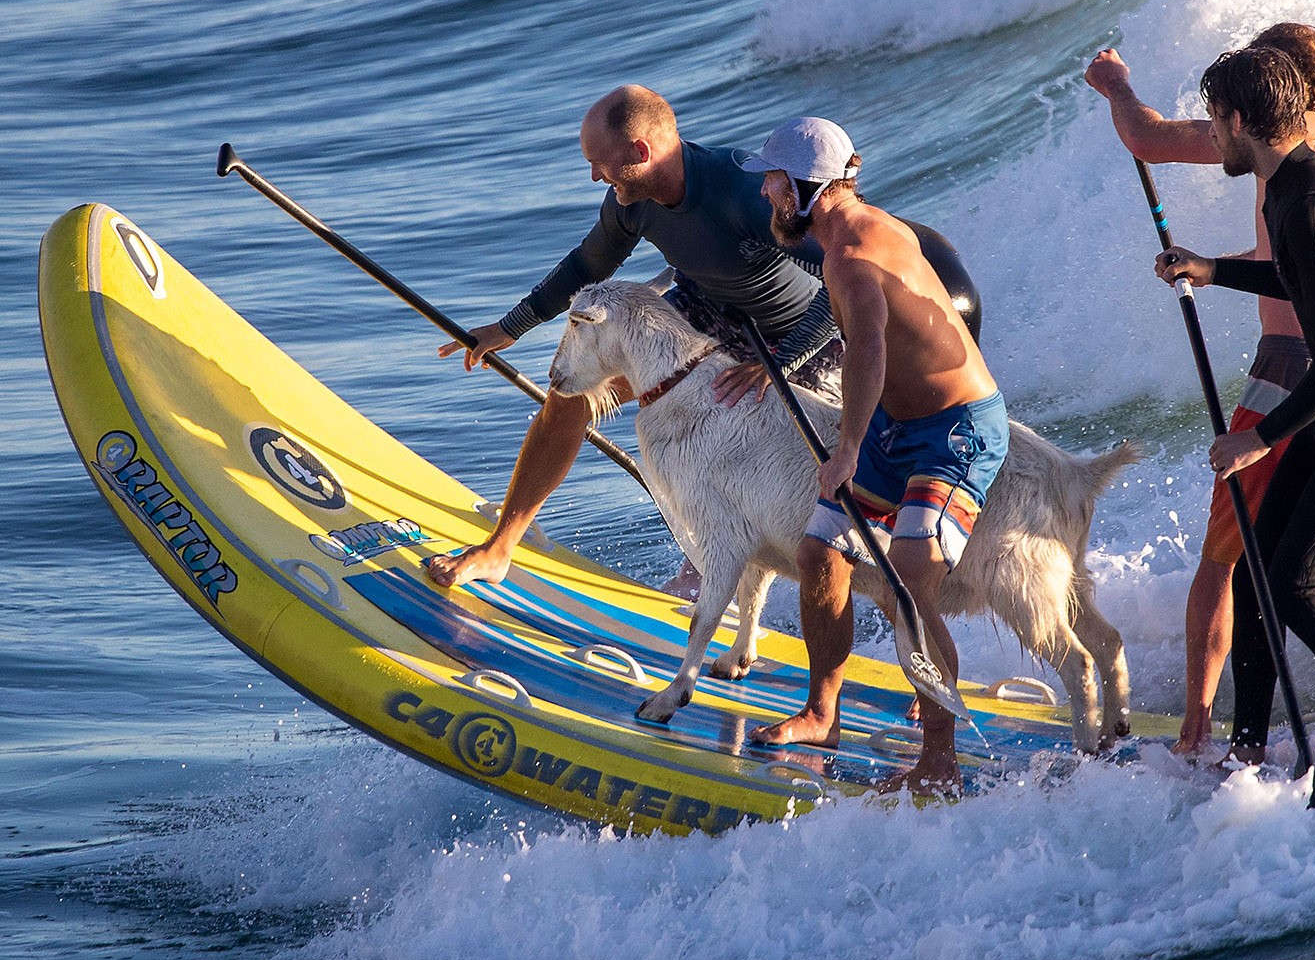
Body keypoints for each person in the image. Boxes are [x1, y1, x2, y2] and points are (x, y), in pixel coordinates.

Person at [1085, 23, 1315, 755]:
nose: (1213, 135)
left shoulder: (1306, 192)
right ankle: (1265, 741)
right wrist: (1212, 269)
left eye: (1218, 121)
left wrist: (1258, 437)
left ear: (1245, 115)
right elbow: (1301, 272)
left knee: (1271, 571)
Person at [426, 85, 839, 590]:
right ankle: (499, 548)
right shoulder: (631, 202)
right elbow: (586, 264)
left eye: (600, 163)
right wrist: (510, 327)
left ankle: (720, 573)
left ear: (641, 153)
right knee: (569, 393)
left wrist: (783, 364)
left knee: (775, 465)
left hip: (799, 338)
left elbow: (844, 279)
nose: (595, 175)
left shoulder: (739, 194)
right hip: (704, 309)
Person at [742, 118, 1008, 796]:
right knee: (818, 556)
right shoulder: (851, 230)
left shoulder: (851, 257)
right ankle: (821, 713)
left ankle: (940, 756)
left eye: (774, 183)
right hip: (896, 423)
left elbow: (867, 349)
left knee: (908, 578)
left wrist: (847, 449)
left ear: (808, 190)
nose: (767, 193)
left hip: (956, 429)